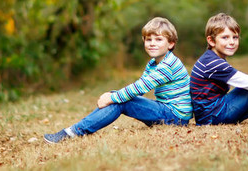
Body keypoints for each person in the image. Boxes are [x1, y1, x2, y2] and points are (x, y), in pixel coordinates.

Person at [44, 17, 192, 143]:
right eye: (148, 39)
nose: (152, 43)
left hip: (175, 117)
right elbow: (138, 88)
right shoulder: (154, 62)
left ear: (171, 43)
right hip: (167, 110)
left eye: (158, 39)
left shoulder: (168, 65)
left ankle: (74, 132)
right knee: (120, 98)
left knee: (119, 99)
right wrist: (117, 97)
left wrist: (112, 97)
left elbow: (140, 88)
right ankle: (76, 129)